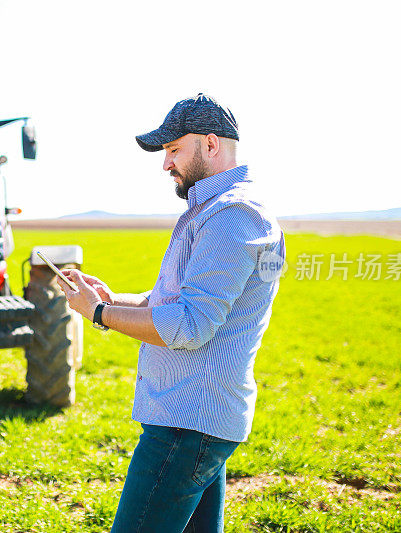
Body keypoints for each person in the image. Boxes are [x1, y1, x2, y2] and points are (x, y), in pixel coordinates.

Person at [56, 94, 285, 533]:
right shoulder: (213, 211)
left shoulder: (231, 215)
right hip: (194, 420)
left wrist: (100, 313)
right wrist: (111, 298)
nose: (166, 165)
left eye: (174, 150)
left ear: (211, 144)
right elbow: (177, 304)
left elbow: (190, 326)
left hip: (187, 424)